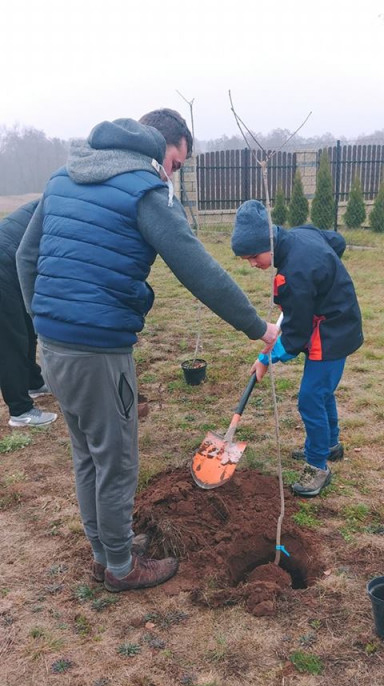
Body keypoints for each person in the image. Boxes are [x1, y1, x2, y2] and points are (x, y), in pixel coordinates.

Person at [16, 109, 280, 592]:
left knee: (87, 454)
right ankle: (121, 568)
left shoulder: (63, 179)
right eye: (174, 163)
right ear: (159, 148)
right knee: (116, 459)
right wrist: (256, 326)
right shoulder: (144, 190)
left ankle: (106, 552)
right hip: (98, 348)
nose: (171, 174)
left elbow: (25, 257)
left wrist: (44, 320)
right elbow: (197, 269)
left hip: (54, 346)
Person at [231, 199, 363, 498]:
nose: (252, 264)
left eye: (254, 256)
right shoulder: (300, 234)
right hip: (331, 322)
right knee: (321, 391)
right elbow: (336, 241)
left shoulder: (296, 274)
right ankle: (329, 444)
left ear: (270, 242)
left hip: (332, 331)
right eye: (246, 259)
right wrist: (326, 276)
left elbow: (296, 333)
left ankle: (318, 465)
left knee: (310, 398)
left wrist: (268, 357)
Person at [0, 202, 57, 428]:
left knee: (27, 326)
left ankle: (33, 381)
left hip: (12, 263)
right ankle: (20, 411)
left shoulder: (59, 195)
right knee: (11, 340)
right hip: (4, 263)